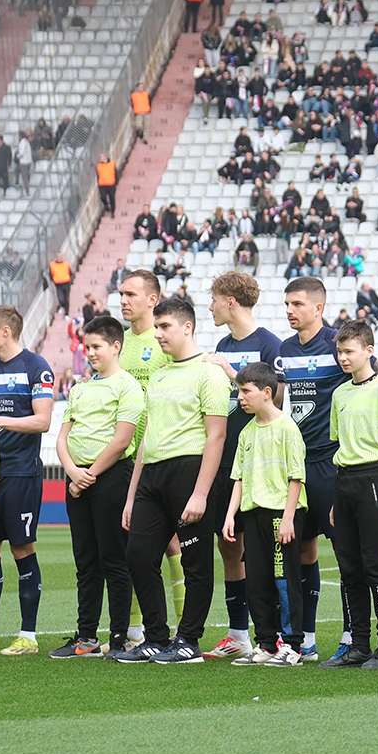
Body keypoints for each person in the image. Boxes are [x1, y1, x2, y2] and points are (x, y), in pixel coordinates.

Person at [117, 297, 229, 663]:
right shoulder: (161, 374)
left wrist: (200, 493)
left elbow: (216, 436)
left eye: (165, 327)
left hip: (189, 473)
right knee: (137, 555)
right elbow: (147, 435)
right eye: (157, 327)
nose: (158, 334)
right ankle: (156, 637)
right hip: (152, 473)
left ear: (187, 327)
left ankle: (189, 641)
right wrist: (133, 495)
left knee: (195, 562)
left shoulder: (208, 372)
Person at [318, 320, 378, 669]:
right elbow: (341, 445)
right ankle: (358, 644)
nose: (343, 358)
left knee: (376, 565)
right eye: (339, 351)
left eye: (349, 351)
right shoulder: (340, 393)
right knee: (349, 568)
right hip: (344, 482)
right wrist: (334, 498)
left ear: (368, 351)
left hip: (375, 477)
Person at [200, 272, 283, 659]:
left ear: (230, 301)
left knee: (263, 550)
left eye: (214, 300)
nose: (210, 307)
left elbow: (277, 405)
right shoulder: (221, 343)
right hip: (225, 459)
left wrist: (233, 375)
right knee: (227, 544)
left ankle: (277, 636)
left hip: (261, 463)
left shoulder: (270, 344)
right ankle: (238, 634)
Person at [52, 316, 143, 657]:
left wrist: (87, 476)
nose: (89, 353)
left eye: (96, 347)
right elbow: (62, 438)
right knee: (85, 561)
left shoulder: (128, 385)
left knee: (114, 560)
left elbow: (122, 440)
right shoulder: (79, 388)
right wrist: (74, 472)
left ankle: (119, 637)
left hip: (110, 478)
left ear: (116, 346)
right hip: (77, 479)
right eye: (87, 347)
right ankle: (86, 636)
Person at [0, 306, 55, 655]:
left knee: (22, 549)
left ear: (6, 332)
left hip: (21, 472)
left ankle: (28, 636)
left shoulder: (37, 368)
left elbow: (43, 421)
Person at [276, 277, 350, 661]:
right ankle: (304, 639)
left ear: (318, 308)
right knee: (301, 551)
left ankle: (353, 634)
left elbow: (375, 379)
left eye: (298, 304)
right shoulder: (284, 350)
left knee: (343, 548)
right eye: (287, 304)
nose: (290, 310)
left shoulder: (339, 343)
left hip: (331, 463)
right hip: (296, 464)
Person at [221, 361, 308, 666]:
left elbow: (297, 476)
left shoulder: (287, 428)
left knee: (284, 580)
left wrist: (287, 518)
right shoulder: (246, 433)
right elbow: (239, 478)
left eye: (246, 391)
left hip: (281, 514)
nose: (241, 397)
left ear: (267, 392)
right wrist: (231, 515)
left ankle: (293, 645)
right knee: (257, 580)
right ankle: (267, 643)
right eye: (238, 391)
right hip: (253, 513)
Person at [116, 270, 183, 640]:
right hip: (124, 454)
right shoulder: (117, 343)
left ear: (152, 299)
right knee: (133, 542)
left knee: (172, 541)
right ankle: (137, 629)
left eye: (130, 294)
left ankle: (184, 627)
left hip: (161, 453)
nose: (123, 300)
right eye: (120, 293)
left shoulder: (165, 341)